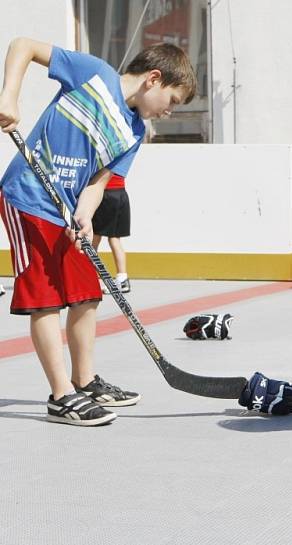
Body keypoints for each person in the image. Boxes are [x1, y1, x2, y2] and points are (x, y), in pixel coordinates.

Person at [0, 37, 196, 425]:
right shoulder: (93, 74)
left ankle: (84, 380)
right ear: (153, 79)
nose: (170, 112)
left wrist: (86, 216)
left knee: (86, 293)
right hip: (29, 198)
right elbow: (23, 45)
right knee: (45, 299)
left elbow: (99, 180)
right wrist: (10, 97)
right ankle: (61, 395)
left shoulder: (134, 131)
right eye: (172, 101)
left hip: (67, 212)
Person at [92, 173, 131, 294]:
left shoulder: (100, 156)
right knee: (114, 239)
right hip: (121, 194)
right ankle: (122, 278)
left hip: (105, 195)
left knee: (94, 239)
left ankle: (89, 278)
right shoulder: (119, 157)